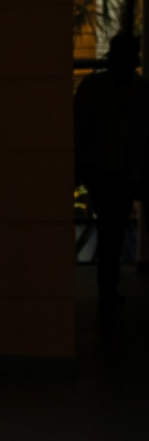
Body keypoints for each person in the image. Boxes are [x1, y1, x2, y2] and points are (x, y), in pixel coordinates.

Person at [75, 32, 145, 313]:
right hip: (122, 171)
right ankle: (108, 286)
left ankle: (108, 286)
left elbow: (78, 128)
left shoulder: (93, 87)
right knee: (113, 230)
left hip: (100, 168)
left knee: (109, 228)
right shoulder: (141, 91)